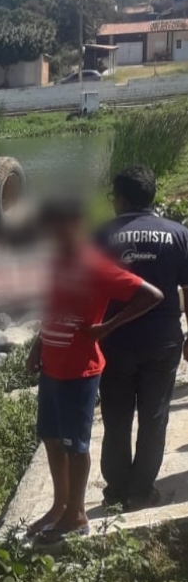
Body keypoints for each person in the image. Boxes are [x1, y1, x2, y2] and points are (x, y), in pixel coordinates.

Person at [26, 197, 162, 544]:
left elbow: (151, 294)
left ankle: (77, 514)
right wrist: (36, 348)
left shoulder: (95, 266)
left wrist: (108, 327)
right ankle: (59, 507)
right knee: (52, 438)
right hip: (52, 368)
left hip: (80, 372)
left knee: (76, 444)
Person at [95, 165, 188, 511]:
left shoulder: (101, 235)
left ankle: (116, 490)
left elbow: (89, 292)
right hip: (163, 342)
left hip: (114, 341)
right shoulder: (178, 234)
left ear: (120, 198)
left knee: (117, 416)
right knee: (154, 416)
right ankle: (140, 491)